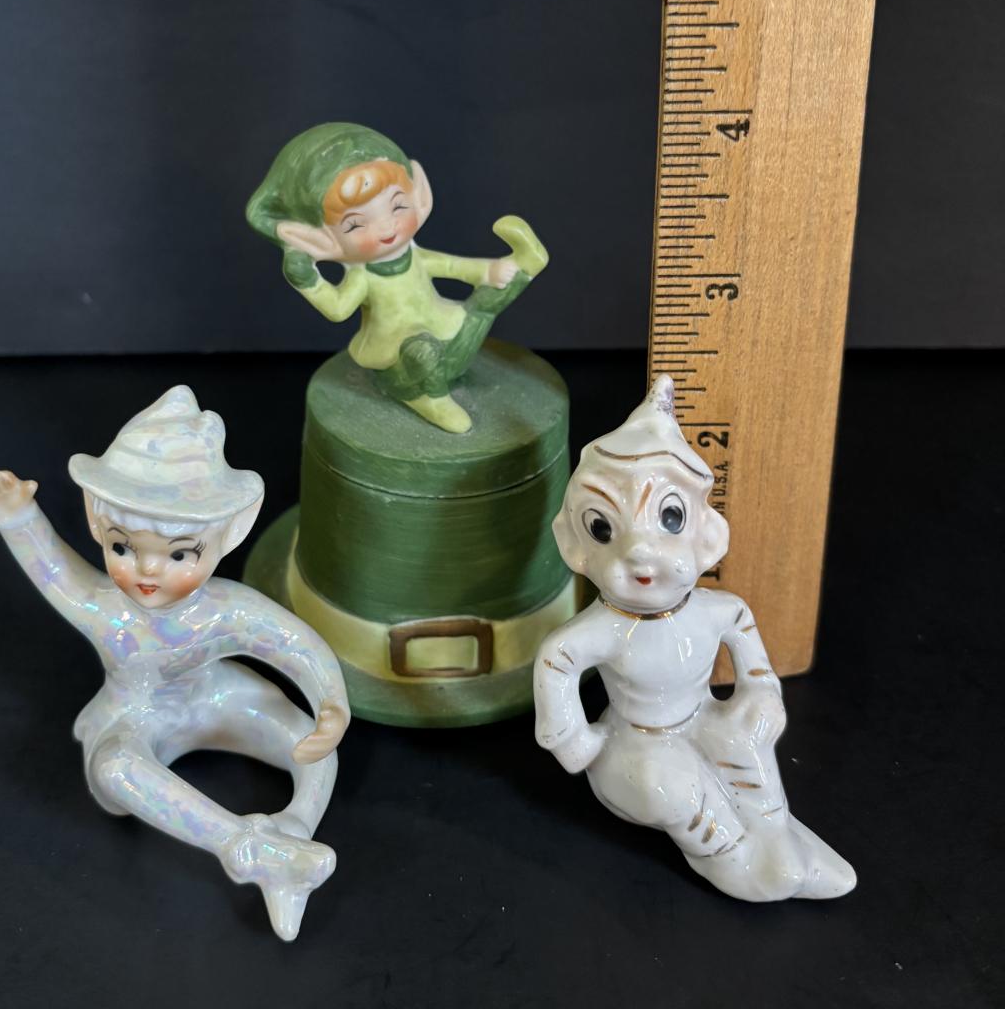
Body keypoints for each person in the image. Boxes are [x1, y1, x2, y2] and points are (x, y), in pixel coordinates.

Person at [0, 385, 350, 940]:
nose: (148, 571)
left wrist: (331, 705)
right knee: (114, 770)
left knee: (313, 744)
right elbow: (52, 569)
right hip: (136, 714)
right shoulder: (103, 608)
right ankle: (243, 846)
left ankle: (294, 827)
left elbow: (297, 647)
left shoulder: (226, 610)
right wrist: (17, 515)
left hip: (219, 697)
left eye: (179, 554)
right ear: (96, 523)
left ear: (228, 536)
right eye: (123, 548)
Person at [533, 375, 855, 901]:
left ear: (706, 531)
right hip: (635, 746)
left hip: (700, 717)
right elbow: (557, 659)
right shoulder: (604, 629)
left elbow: (742, 629)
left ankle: (777, 836)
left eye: (669, 517)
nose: (640, 552)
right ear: (576, 546)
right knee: (670, 781)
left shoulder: (715, 610)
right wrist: (572, 738)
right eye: (603, 528)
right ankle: (728, 855)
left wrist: (760, 691)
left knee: (742, 741)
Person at [246, 122, 548, 433]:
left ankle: (525, 263)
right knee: (421, 351)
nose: (386, 227)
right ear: (321, 240)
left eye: (397, 206)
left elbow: (453, 266)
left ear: (419, 196)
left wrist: (488, 271)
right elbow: (338, 309)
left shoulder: (416, 256)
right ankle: (431, 399)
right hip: (405, 366)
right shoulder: (363, 277)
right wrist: (309, 281)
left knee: (485, 303)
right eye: (355, 225)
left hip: (452, 337)